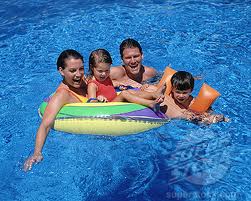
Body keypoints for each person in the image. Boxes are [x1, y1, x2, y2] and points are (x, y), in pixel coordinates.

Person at [23, 49, 88, 171]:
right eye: (72, 71)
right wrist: (37, 153)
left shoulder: (86, 82)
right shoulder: (62, 95)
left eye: (81, 69)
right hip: (79, 144)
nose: (79, 74)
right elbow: (45, 125)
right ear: (61, 71)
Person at [87, 48, 165, 110]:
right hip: (108, 105)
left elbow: (107, 85)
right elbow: (91, 101)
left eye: (107, 70)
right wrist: (98, 99)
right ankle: (150, 104)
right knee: (124, 94)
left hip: (114, 100)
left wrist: (119, 85)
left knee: (130, 91)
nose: (104, 74)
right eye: (100, 71)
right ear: (92, 67)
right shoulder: (92, 85)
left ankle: (154, 94)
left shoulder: (105, 78)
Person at [159, 71, 229, 124]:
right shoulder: (169, 92)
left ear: (191, 91)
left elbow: (204, 114)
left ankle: (220, 118)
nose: (181, 95)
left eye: (185, 93)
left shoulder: (192, 103)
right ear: (172, 89)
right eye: (178, 92)